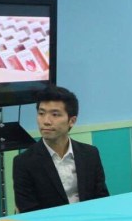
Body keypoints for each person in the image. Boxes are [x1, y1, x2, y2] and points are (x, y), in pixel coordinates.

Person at [13, 85, 109, 213]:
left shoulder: (90, 154)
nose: (46, 121)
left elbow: (102, 200)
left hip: (88, 219)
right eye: (41, 113)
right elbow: (29, 211)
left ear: (72, 121)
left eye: (55, 114)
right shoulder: (24, 162)